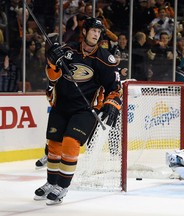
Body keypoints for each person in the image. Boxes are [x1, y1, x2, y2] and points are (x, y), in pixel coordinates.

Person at [33, 17, 121, 205]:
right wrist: (52, 61)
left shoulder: (105, 59)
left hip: (85, 110)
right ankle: (51, 183)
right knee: (54, 146)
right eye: (93, 31)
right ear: (84, 32)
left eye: (99, 32)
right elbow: (52, 77)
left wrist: (112, 103)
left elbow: (114, 87)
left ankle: (63, 186)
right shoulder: (67, 50)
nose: (96, 34)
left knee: (70, 143)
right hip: (61, 106)